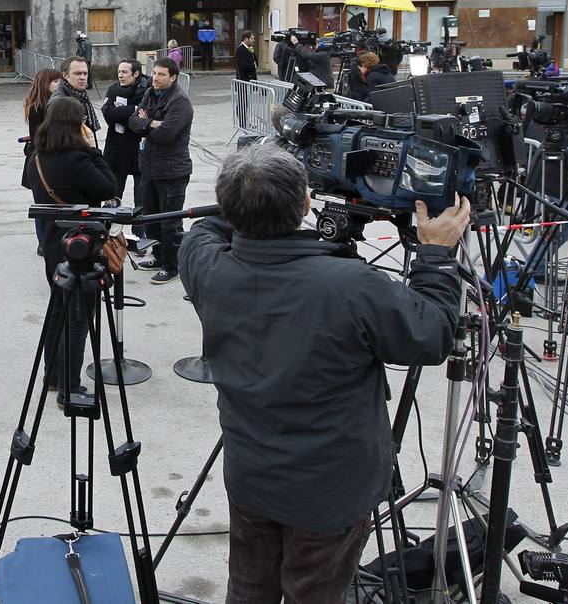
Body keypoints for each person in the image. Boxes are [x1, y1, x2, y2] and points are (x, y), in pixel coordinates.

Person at [178, 145, 467, 604]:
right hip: (330, 491)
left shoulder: (206, 266)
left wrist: (248, 194)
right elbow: (431, 335)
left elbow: (205, 229)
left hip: (251, 473)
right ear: (307, 205)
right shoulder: (352, 285)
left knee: (249, 588)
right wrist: (435, 255)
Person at [30, 96, 117, 401]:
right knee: (79, 317)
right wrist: (93, 149)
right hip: (80, 246)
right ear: (75, 125)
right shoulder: (79, 160)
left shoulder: (37, 157)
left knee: (58, 309)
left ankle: (53, 376)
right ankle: (69, 386)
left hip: (53, 243)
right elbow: (110, 187)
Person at [129, 57, 193, 285]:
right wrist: (152, 123)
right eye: (154, 73)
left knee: (170, 223)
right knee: (152, 219)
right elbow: (133, 122)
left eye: (161, 74)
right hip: (149, 168)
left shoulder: (180, 102)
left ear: (173, 77)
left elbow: (166, 134)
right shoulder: (149, 94)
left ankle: (172, 265)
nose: (155, 78)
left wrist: (149, 124)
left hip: (172, 171)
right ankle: (158, 257)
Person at [21, 68, 65, 251]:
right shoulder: (39, 106)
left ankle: (50, 239)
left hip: (44, 157)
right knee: (42, 205)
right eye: (55, 81)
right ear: (45, 83)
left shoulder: (52, 103)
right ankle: (43, 242)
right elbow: (40, 137)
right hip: (40, 160)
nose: (59, 84)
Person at [100, 59, 149, 205]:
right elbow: (109, 115)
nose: (120, 75)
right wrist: (133, 109)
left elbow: (145, 121)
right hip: (116, 151)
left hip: (139, 151)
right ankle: (111, 228)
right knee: (112, 198)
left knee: (142, 201)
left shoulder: (147, 91)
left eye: (124, 72)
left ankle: (140, 228)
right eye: (119, 72)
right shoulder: (113, 89)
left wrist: (120, 113)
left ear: (136, 74)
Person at [50, 57, 100, 145]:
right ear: (65, 75)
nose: (82, 77)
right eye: (78, 73)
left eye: (85, 73)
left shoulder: (82, 95)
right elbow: (60, 140)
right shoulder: (60, 102)